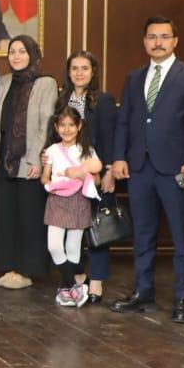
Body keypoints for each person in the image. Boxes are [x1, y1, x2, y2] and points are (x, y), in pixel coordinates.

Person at [111, 15, 184, 324]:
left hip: (176, 169)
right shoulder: (133, 78)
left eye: (164, 37)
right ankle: (144, 292)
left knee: (182, 238)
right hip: (139, 168)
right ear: (145, 42)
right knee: (143, 236)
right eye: (152, 37)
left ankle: (181, 299)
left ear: (175, 41)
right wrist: (118, 157)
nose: (158, 42)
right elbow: (124, 122)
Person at [0, 35, 56, 289]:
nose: (16, 56)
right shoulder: (3, 82)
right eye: (12, 52)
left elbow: (46, 123)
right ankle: (10, 267)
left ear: (33, 55)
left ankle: (27, 270)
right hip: (5, 160)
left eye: (22, 51)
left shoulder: (45, 83)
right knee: (6, 216)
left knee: (29, 217)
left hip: (30, 160)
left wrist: (38, 158)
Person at [54, 51, 118, 302]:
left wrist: (109, 170)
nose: (79, 73)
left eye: (84, 68)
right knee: (73, 228)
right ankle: (79, 277)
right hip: (68, 177)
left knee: (97, 228)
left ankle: (97, 282)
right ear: (68, 72)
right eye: (74, 68)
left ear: (93, 72)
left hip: (95, 172)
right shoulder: (62, 100)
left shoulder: (103, 100)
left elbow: (110, 137)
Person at [42, 108, 101, 308]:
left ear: (79, 126)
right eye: (62, 125)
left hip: (79, 199)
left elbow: (97, 179)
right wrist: (49, 184)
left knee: (73, 248)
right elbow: (45, 176)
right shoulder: (51, 150)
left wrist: (80, 174)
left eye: (71, 125)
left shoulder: (87, 151)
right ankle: (74, 284)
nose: (67, 130)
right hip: (56, 199)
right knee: (54, 246)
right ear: (56, 127)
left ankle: (66, 289)